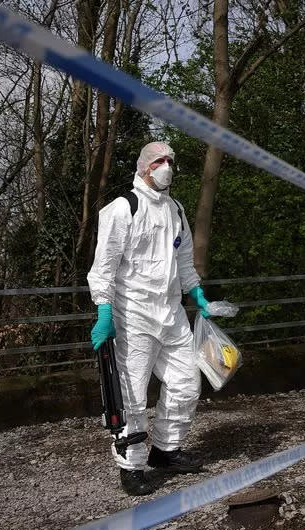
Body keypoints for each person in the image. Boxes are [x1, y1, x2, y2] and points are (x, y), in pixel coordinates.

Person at [87, 141, 211, 495]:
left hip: (171, 313)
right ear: (144, 167)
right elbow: (104, 268)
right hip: (133, 315)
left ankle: (166, 449)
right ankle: (131, 464)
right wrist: (104, 311)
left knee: (187, 382)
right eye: (159, 160)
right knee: (132, 395)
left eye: (170, 160)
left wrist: (197, 294)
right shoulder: (122, 209)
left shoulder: (177, 211)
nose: (166, 166)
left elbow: (184, 261)